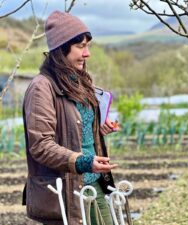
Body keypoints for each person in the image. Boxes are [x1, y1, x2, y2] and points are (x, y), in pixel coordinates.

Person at [22, 10, 118, 225]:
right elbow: (41, 145)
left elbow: (76, 127)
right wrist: (83, 161)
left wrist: (99, 128)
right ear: (60, 49)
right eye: (80, 46)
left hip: (95, 183)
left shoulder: (79, 82)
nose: (87, 54)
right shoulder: (41, 88)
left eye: (88, 46)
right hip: (68, 192)